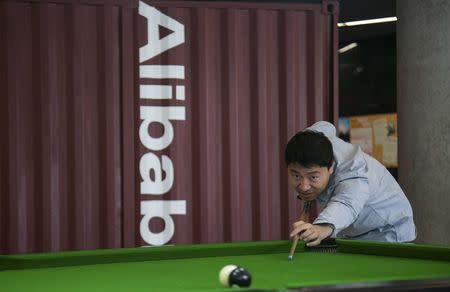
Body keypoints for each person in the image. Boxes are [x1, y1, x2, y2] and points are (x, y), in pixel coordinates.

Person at [285, 121, 416, 247]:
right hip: (355, 233)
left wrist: (321, 228)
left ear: (331, 167)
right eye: (296, 175)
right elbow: (325, 126)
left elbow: (346, 203)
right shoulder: (315, 140)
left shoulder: (353, 173)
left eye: (313, 177)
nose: (303, 186)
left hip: (388, 231)